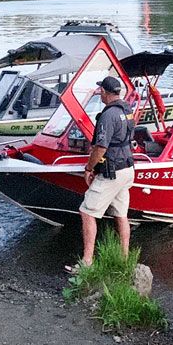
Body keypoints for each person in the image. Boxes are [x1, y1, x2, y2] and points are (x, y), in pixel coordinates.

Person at [71, 76, 135, 271]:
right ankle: (124, 258)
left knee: (87, 211)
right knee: (121, 214)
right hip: (127, 169)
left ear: (106, 92)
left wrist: (89, 168)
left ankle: (87, 262)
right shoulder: (127, 110)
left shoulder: (108, 115)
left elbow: (100, 147)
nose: (99, 93)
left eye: (101, 91)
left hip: (112, 172)